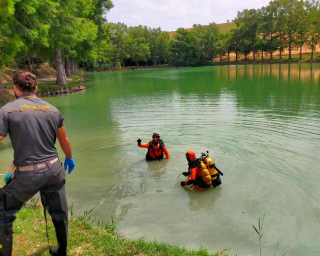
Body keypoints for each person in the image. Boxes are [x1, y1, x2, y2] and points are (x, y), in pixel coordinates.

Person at [0, 71, 75, 256]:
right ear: (36, 88)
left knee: (2, 211)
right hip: (55, 170)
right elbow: (64, 140)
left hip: (27, 174)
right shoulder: (53, 110)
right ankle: (61, 252)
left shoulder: (7, 110)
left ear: (15, 89)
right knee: (60, 215)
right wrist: (69, 157)